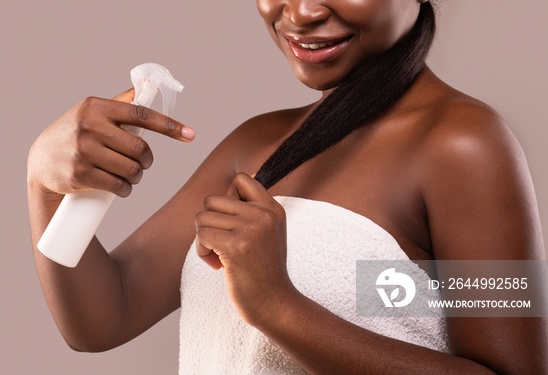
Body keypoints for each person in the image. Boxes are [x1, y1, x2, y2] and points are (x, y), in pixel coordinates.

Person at [27, 0, 546, 373]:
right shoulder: (255, 146)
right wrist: (45, 182)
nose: (299, 13)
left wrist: (278, 306)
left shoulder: (462, 146)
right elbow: (103, 316)